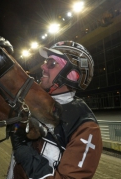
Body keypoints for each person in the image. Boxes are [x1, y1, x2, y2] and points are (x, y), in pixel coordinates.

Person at [6, 40, 103, 179]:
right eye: (46, 61)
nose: (43, 66)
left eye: (51, 63)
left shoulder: (86, 128)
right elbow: (15, 123)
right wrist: (16, 128)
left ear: (72, 75)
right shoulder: (34, 103)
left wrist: (26, 156)